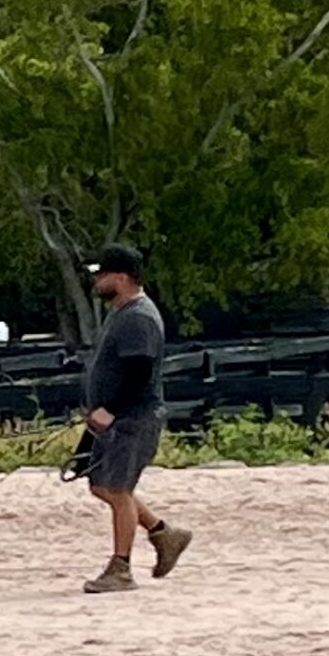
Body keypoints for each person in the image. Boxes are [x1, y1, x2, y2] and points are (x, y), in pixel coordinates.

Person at [78, 245, 191, 594]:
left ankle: (121, 568)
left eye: (103, 274)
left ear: (122, 278)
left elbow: (140, 372)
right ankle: (163, 533)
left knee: (117, 489)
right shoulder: (123, 311)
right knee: (101, 484)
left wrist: (109, 409)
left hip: (132, 418)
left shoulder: (139, 317)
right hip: (115, 418)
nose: (97, 281)